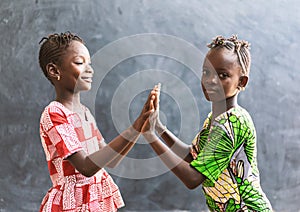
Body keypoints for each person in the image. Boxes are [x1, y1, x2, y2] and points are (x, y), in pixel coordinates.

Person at [142, 35, 273, 211]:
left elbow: (192, 178)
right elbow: (193, 157)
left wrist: (150, 136)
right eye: (206, 72)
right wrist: (158, 127)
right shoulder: (217, 118)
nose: (211, 80)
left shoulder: (231, 123)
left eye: (223, 75)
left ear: (241, 82)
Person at [38, 32, 156, 212]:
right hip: (72, 204)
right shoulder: (54, 114)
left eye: (89, 63)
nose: (90, 70)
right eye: (79, 62)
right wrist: (134, 127)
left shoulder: (85, 113)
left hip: (96, 200)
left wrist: (140, 127)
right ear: (54, 71)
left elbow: (111, 160)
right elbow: (86, 166)